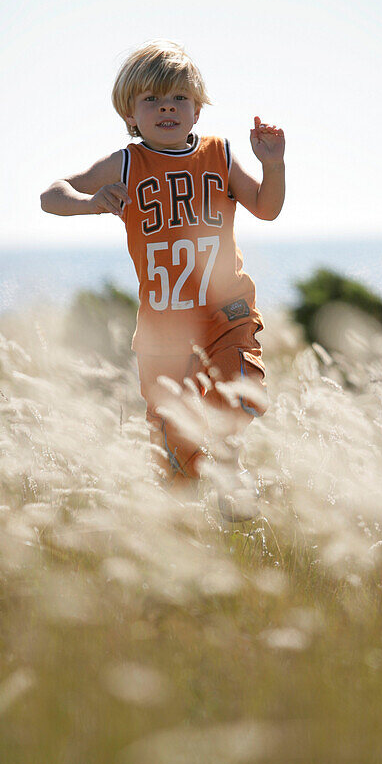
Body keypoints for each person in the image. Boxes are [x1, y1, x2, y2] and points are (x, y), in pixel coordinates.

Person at [40, 40, 285, 509]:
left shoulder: (221, 155)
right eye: (151, 99)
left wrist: (272, 165)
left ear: (197, 111)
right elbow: (52, 195)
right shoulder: (127, 163)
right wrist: (90, 202)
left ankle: (231, 473)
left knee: (243, 392)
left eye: (178, 98)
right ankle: (185, 526)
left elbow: (268, 209)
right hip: (163, 326)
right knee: (175, 445)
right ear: (130, 114)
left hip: (225, 311)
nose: (166, 107)